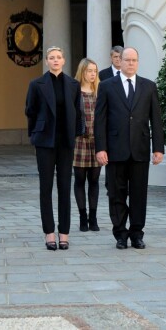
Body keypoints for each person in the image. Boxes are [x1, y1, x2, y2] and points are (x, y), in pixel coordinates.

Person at [94, 47, 164, 250]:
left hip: (140, 149)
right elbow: (100, 120)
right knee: (116, 193)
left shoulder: (149, 86)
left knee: (139, 194)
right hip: (115, 150)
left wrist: (158, 147)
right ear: (120, 62)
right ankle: (120, 234)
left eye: (134, 60)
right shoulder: (107, 86)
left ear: (138, 62)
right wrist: (101, 148)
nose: (130, 63)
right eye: (127, 60)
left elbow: (156, 120)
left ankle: (137, 234)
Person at [25, 46, 83, 251]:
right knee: (46, 187)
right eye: (52, 58)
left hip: (66, 142)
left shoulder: (73, 84)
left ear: (64, 60)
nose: (55, 60)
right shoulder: (36, 84)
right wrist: (34, 135)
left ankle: (64, 233)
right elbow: (30, 111)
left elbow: (78, 112)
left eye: (59, 57)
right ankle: (49, 232)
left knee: (65, 187)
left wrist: (77, 133)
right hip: (45, 142)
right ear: (47, 61)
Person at [73, 58, 102, 232]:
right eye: (89, 70)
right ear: (82, 71)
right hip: (79, 141)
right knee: (79, 180)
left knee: (94, 180)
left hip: (96, 141)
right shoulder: (74, 91)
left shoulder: (100, 90)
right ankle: (82, 217)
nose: (92, 74)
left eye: (95, 71)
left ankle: (93, 217)